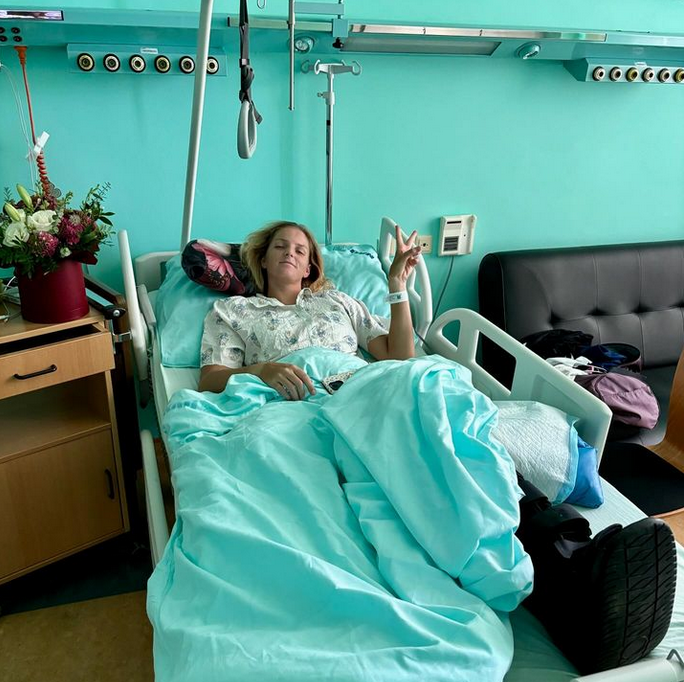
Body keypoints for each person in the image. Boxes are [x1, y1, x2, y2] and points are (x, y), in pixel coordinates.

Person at [199, 220, 677, 675]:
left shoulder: (338, 303)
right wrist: (262, 370)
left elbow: (400, 356)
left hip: (369, 391)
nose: (290, 253)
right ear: (262, 259)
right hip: (300, 404)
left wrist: (396, 286)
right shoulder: (233, 311)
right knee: (408, 488)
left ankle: (569, 559)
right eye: (280, 246)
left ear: (310, 268)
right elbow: (211, 377)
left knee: (455, 445)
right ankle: (563, 587)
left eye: (301, 249)